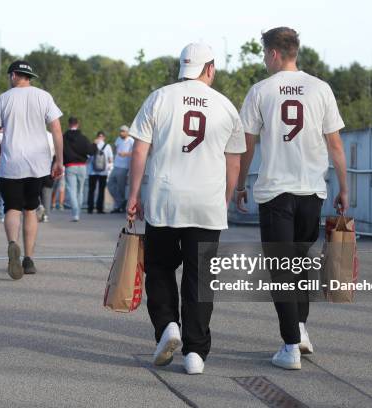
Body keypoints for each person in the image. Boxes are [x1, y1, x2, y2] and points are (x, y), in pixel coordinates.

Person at [126, 43, 246, 375]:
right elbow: (233, 161)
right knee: (200, 277)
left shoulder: (159, 98)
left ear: (182, 67)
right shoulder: (225, 106)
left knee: (160, 267)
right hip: (206, 202)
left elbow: (139, 150)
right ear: (210, 68)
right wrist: (225, 197)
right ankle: (196, 353)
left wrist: (134, 193)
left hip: (165, 198)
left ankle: (167, 325)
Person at [236, 27, 348, 370]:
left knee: (281, 271)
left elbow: (248, 144)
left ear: (272, 54)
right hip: (311, 192)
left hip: (275, 192)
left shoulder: (260, 91)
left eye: (263, 54)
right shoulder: (321, 88)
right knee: (299, 267)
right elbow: (335, 146)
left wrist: (240, 184)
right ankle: (300, 329)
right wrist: (344, 188)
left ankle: (290, 347)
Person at [0, 60, 64, 279]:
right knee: (30, 209)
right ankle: (28, 259)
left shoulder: (3, 98)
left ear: (13, 75)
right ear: (29, 77)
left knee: (12, 208)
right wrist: (59, 160)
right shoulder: (44, 96)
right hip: (37, 165)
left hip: (11, 164)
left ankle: (13, 244)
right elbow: (57, 130)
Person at [63, 117, 97, 222]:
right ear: (78, 124)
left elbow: (59, 151)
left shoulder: (64, 137)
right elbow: (91, 151)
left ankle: (75, 214)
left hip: (70, 166)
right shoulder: (83, 138)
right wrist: (95, 144)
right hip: (82, 166)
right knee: (80, 191)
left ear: (69, 124)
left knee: (72, 191)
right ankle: (78, 212)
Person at [108, 125, 133, 213]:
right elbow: (115, 148)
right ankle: (121, 202)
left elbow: (134, 152)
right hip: (116, 165)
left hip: (124, 166)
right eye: (120, 131)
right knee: (110, 184)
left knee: (120, 187)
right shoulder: (118, 139)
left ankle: (119, 206)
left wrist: (125, 154)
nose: (121, 133)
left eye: (123, 131)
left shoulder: (131, 141)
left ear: (127, 132)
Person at [87, 131, 113, 214]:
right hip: (103, 172)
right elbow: (110, 159)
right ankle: (99, 208)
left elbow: (88, 158)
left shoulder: (92, 145)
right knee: (101, 190)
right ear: (104, 137)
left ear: (97, 137)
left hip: (92, 171)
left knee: (91, 190)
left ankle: (90, 208)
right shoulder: (107, 146)